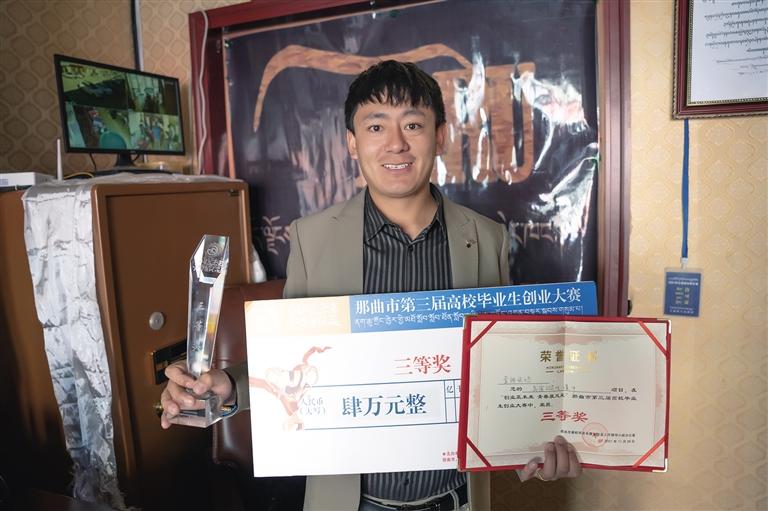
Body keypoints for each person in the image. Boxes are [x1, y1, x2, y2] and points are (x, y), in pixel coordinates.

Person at [161, 60, 581, 510]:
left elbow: (499, 374)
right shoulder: (312, 239)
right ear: (352, 143)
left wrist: (533, 445)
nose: (396, 143)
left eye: (413, 125)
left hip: (456, 499)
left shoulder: (486, 239)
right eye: (376, 126)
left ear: (440, 136)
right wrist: (229, 386)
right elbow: (291, 367)